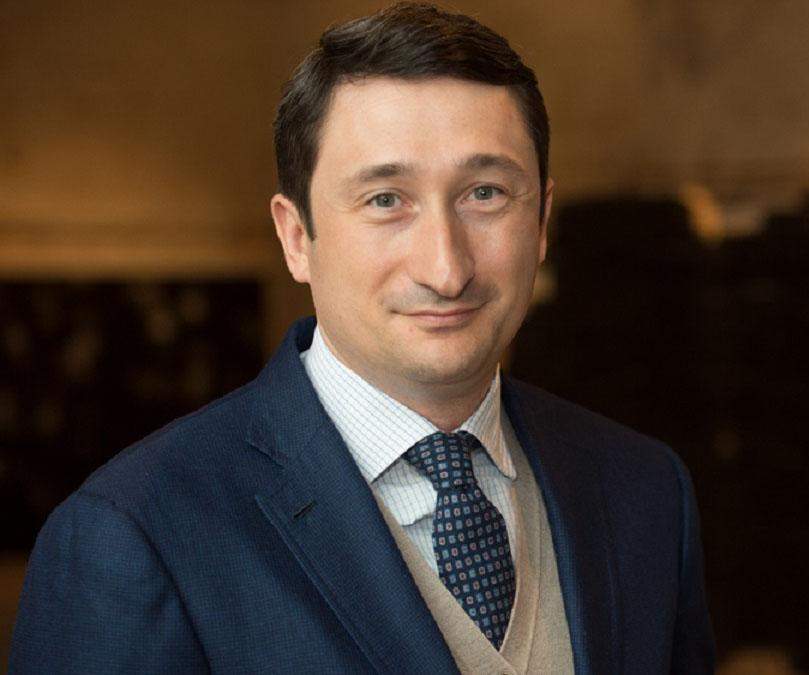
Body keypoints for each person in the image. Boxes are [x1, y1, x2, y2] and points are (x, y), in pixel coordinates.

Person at [8, 4, 714, 673]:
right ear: (296, 237)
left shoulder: (643, 490)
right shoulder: (133, 534)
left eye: (486, 194)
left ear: (541, 223)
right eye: (385, 200)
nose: (446, 268)